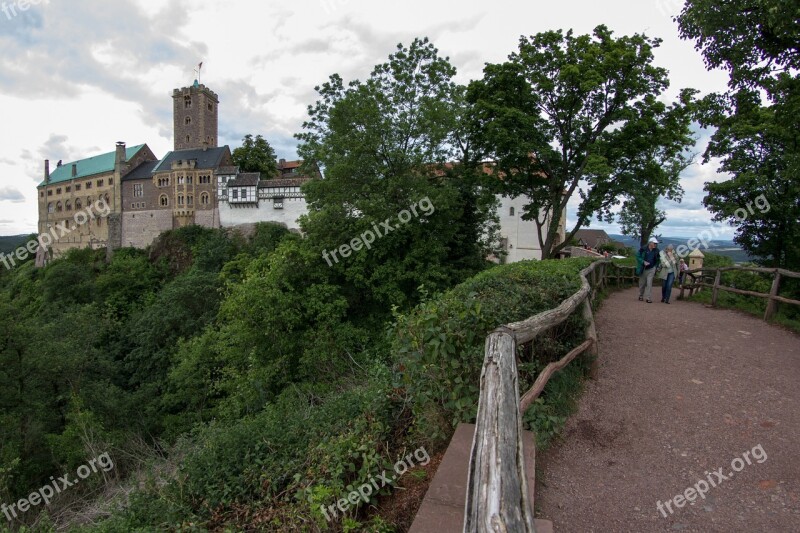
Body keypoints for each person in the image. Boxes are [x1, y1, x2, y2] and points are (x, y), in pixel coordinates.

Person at [637, 237, 661, 303]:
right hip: (643, 268)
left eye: (656, 243)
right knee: (642, 284)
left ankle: (648, 298)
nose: (655, 244)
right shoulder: (643, 249)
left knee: (649, 283)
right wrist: (643, 262)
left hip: (652, 268)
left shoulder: (656, 250)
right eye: (654, 243)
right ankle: (641, 295)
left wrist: (656, 266)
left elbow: (658, 259)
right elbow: (637, 256)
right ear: (650, 243)